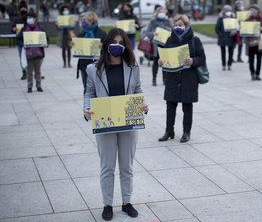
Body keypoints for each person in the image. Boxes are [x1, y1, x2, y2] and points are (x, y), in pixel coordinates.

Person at [83, 28, 149, 221]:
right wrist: (86, 109)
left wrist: (143, 105)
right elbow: (89, 93)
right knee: (107, 167)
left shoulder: (133, 67)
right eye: (114, 42)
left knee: (127, 166)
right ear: (106, 45)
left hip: (128, 122)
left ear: (126, 46)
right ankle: (107, 204)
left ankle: (127, 202)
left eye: (122, 43)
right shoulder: (93, 69)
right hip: (105, 123)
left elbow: (138, 90)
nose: (118, 46)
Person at [158, 14, 206, 143]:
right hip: (173, 78)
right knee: (170, 105)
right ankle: (169, 131)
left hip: (188, 78)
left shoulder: (195, 41)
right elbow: (166, 56)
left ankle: (186, 132)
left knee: (187, 106)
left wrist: (192, 61)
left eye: (180, 25)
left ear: (186, 26)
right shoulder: (169, 40)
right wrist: (161, 62)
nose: (177, 27)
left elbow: (202, 58)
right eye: (176, 25)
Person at [17, 12, 49, 93]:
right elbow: (18, 39)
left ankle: (38, 86)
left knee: (38, 71)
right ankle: (29, 86)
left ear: (35, 19)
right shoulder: (24, 28)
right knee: (29, 72)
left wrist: (46, 44)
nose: (29, 19)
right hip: (28, 53)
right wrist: (22, 44)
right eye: (28, 18)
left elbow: (46, 38)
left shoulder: (40, 28)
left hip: (38, 53)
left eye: (31, 18)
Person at [76, 11, 106, 93]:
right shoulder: (81, 34)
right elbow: (78, 49)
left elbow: (109, 49)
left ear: (91, 21)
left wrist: (104, 46)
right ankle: (87, 105)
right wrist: (75, 45)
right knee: (87, 90)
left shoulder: (102, 33)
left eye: (84, 20)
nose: (83, 22)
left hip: (98, 65)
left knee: (99, 89)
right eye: (82, 20)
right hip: (84, 65)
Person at [145, 6, 173, 86]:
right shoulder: (152, 22)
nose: (161, 13)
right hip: (156, 45)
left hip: (165, 44)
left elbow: (172, 31)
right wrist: (153, 34)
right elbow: (147, 33)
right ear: (157, 13)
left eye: (163, 11)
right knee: (156, 62)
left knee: (165, 62)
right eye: (160, 11)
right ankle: (154, 78)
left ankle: (164, 78)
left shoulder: (168, 21)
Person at [245, 4, 262, 80]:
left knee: (259, 59)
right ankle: (252, 73)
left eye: (253, 9)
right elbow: (243, 32)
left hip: (259, 42)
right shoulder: (247, 20)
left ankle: (258, 74)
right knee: (251, 59)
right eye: (250, 9)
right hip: (251, 42)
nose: (252, 11)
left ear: (257, 10)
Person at [215, 5, 236, 71]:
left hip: (231, 36)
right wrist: (221, 35)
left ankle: (229, 64)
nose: (228, 12)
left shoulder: (233, 18)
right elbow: (217, 29)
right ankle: (224, 65)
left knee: (231, 52)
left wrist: (234, 31)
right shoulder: (220, 19)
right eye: (227, 11)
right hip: (223, 37)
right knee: (223, 52)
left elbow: (236, 26)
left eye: (229, 10)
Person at [11, 0, 28, 80]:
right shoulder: (16, 18)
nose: (23, 9)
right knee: (22, 56)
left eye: (24, 8)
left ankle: (31, 72)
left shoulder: (29, 17)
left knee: (30, 57)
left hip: (29, 39)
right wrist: (14, 29)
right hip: (20, 40)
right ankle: (24, 72)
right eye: (22, 8)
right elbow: (12, 28)